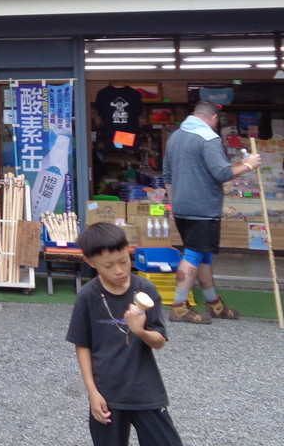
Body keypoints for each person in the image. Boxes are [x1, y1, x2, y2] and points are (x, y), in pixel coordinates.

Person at [66, 222, 182, 446]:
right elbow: (82, 345)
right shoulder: (88, 296)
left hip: (145, 390)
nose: (118, 270)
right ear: (90, 262)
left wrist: (139, 330)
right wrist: (92, 392)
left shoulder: (145, 290)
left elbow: (159, 341)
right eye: (108, 265)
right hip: (107, 394)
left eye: (123, 261)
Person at [162, 100, 261, 323]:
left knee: (203, 255)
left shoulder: (175, 137)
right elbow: (222, 173)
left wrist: (174, 204)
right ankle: (178, 307)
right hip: (203, 207)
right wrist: (249, 164)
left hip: (182, 206)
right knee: (193, 254)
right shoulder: (208, 138)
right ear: (214, 118)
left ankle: (213, 303)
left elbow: (167, 174)